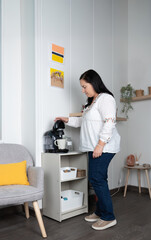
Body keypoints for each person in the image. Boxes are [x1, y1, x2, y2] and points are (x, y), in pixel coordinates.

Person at [55, 69, 120, 231]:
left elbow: (110, 122)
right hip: (95, 147)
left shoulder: (106, 99)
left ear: (94, 82)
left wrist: (100, 144)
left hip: (104, 147)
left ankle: (108, 217)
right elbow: (83, 123)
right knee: (98, 179)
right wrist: (67, 119)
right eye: (82, 87)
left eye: (85, 86)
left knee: (96, 179)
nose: (83, 90)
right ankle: (100, 212)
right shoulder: (91, 103)